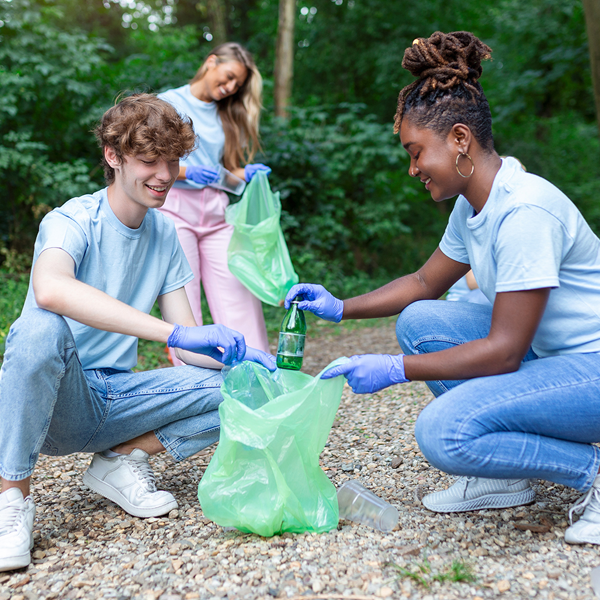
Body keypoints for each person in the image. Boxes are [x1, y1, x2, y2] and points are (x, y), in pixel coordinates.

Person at [285, 31, 600, 545]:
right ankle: (506, 475)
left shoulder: (525, 211)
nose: (412, 169)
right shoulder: (473, 203)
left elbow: (502, 352)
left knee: (444, 431)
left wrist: (395, 370)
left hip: (592, 370)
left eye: (415, 152)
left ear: (459, 140)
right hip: (556, 358)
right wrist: (340, 308)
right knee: (421, 321)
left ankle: (594, 475)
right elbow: (424, 283)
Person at [0, 93, 275, 572]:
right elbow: (49, 289)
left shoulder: (165, 234)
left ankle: (122, 458)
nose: (165, 175)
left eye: (172, 161)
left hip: (117, 399)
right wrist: (173, 334)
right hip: (59, 395)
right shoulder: (71, 220)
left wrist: (244, 356)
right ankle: (11, 501)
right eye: (149, 160)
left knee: (244, 387)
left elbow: (190, 344)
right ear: (113, 156)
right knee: (38, 328)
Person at [157, 42, 271, 365]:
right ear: (211, 62)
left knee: (240, 296)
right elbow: (148, 162)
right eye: (230, 76)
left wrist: (244, 174)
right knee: (184, 303)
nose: (232, 87)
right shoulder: (168, 103)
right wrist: (185, 170)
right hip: (176, 210)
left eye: (238, 84)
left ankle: (257, 373)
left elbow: (224, 171)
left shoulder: (227, 113)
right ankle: (192, 388)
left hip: (217, 212)